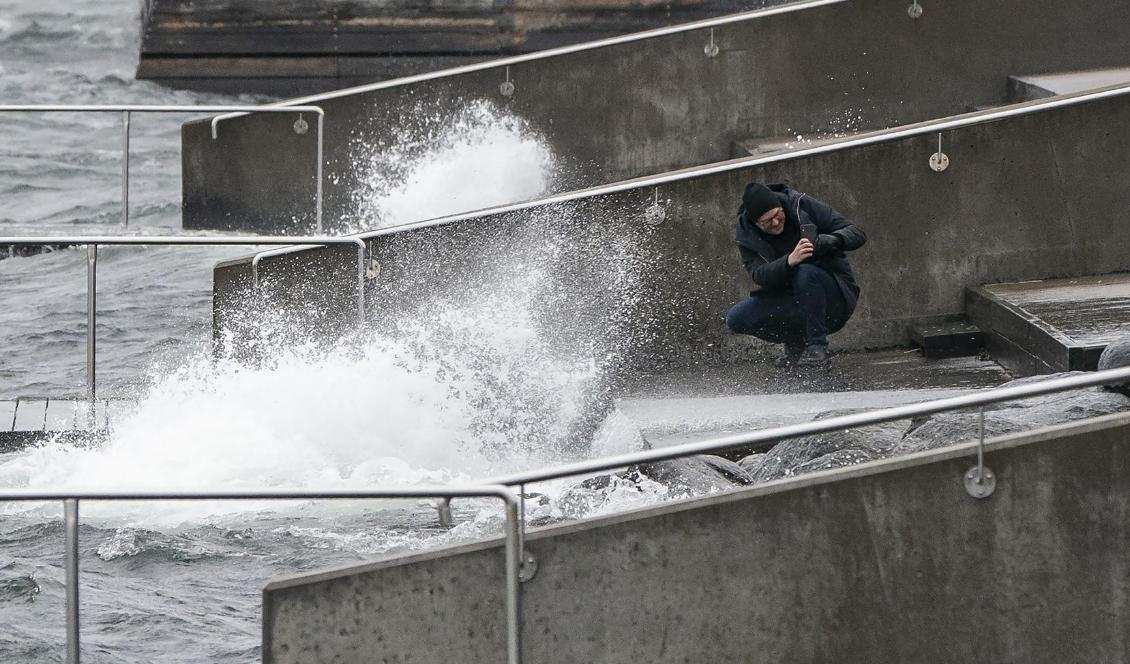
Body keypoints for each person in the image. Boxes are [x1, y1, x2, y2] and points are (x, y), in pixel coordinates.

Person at [725, 182, 866, 368]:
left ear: (781, 206)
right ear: (755, 223)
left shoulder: (800, 204)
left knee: (805, 272)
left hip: (833, 298)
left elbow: (856, 233)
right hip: (791, 299)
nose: (775, 223)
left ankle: (817, 347)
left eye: (777, 215)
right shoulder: (745, 236)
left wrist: (833, 239)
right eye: (766, 222)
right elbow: (759, 275)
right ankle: (796, 342)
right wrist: (789, 261)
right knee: (736, 318)